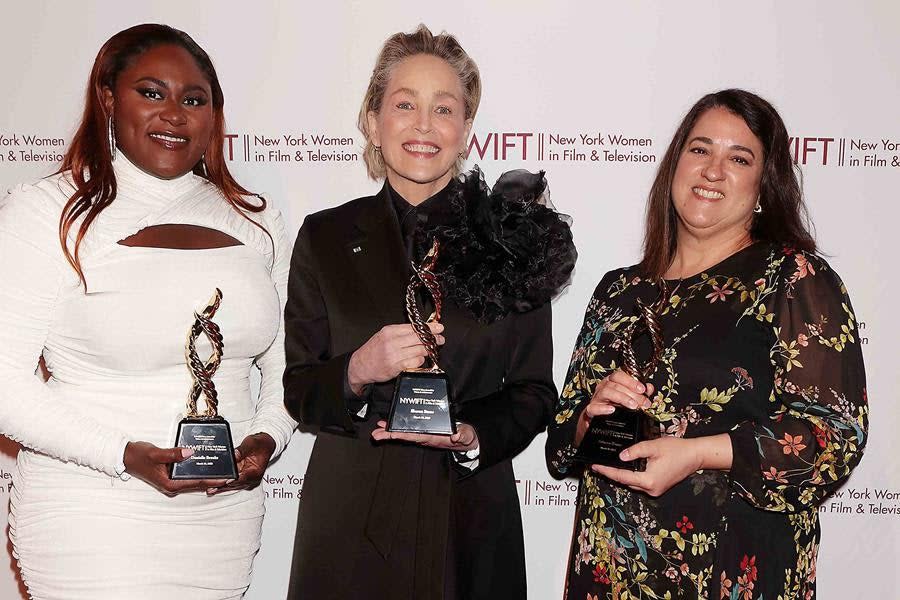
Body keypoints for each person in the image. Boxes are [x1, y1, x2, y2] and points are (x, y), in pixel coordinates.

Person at [0, 24, 296, 599]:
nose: (174, 114)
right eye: (151, 93)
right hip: (91, 509)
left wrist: (267, 437)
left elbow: (292, 363)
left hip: (222, 516)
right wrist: (124, 455)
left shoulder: (255, 220)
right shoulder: (46, 212)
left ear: (214, 114)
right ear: (109, 99)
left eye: (193, 99)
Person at [283, 24, 575, 600]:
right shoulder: (325, 237)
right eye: (404, 105)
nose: (423, 126)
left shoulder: (513, 239)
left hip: (468, 518)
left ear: (466, 130)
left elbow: (533, 392)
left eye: (444, 109)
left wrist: (472, 436)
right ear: (372, 121)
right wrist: (357, 369)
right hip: (350, 515)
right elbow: (299, 388)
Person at [546, 89, 867, 599]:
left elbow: (833, 436)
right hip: (611, 569)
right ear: (676, 163)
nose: (713, 171)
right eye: (700, 150)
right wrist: (588, 416)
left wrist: (699, 454)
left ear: (764, 184)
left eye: (738, 158)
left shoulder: (793, 277)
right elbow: (561, 446)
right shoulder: (618, 289)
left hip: (730, 568)